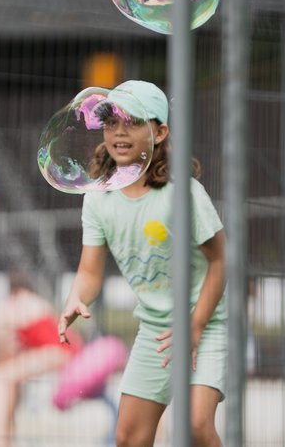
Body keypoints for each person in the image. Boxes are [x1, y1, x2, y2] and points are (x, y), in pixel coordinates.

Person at [57, 80, 227, 447]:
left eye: (133, 122)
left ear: (159, 132)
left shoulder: (185, 194)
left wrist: (195, 326)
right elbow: (89, 272)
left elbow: (219, 263)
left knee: (197, 426)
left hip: (204, 324)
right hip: (155, 331)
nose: (119, 131)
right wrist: (76, 297)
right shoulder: (98, 199)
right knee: (129, 438)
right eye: (111, 122)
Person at [0, 272, 75, 447]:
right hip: (64, 350)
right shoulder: (37, 302)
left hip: (56, 352)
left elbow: (5, 344)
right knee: (10, 378)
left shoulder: (13, 305)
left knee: (5, 375)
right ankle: (4, 436)